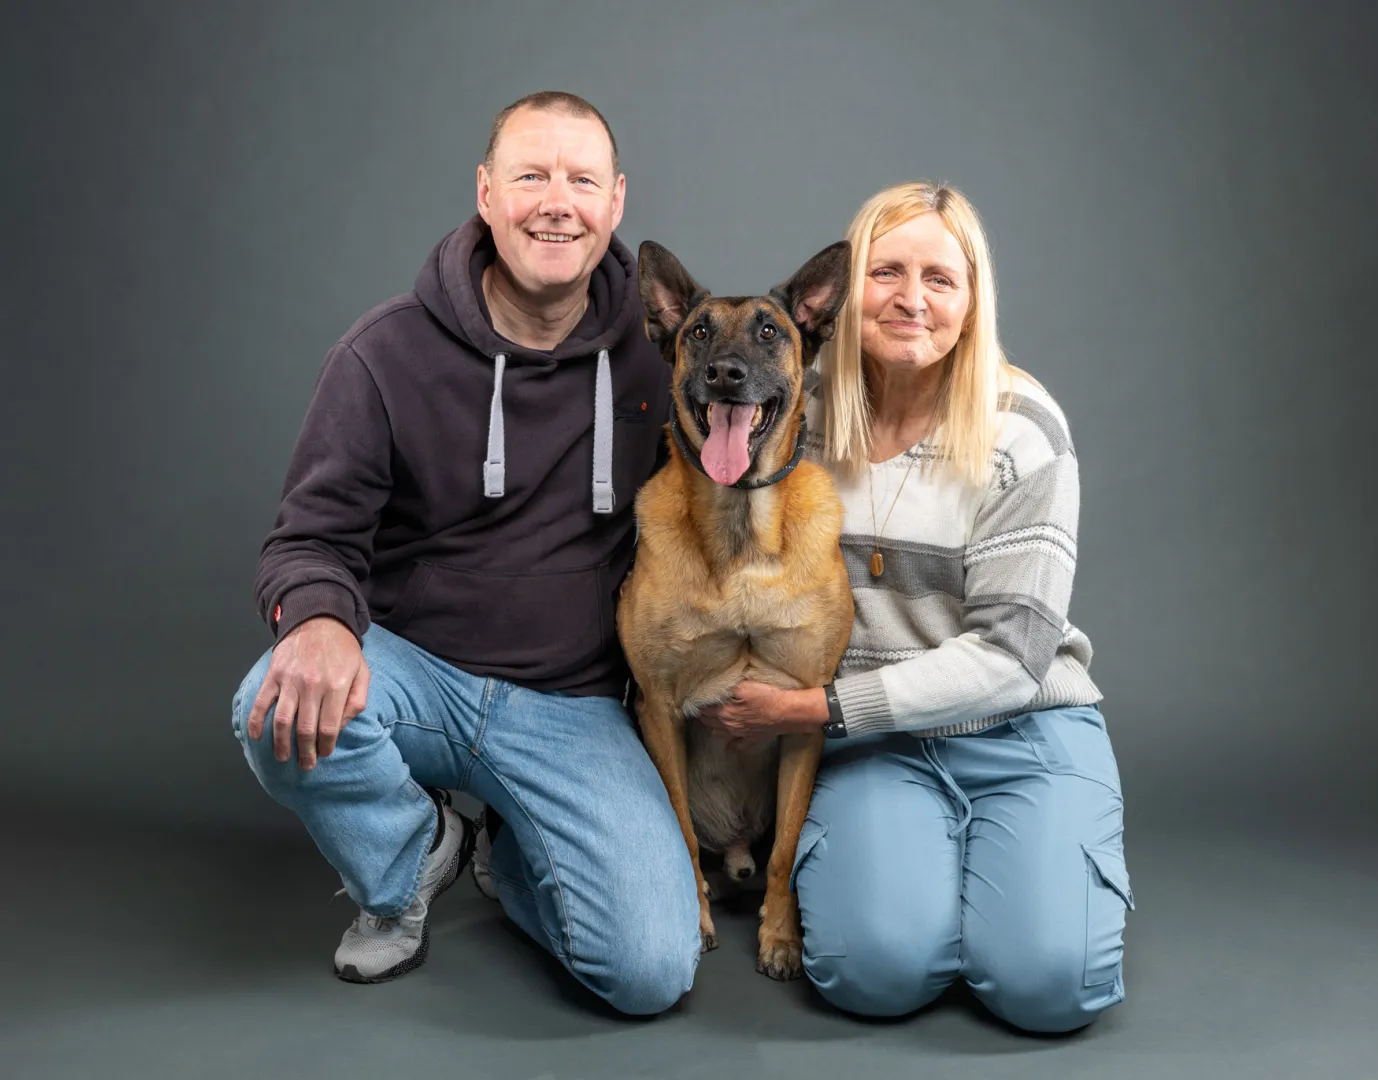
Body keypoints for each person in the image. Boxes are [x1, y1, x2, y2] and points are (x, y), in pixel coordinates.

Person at [230, 91, 701, 1014]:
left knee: (648, 972)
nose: (555, 200)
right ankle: (410, 859)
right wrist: (319, 619)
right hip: (419, 677)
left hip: (576, 702)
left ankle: (514, 849)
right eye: (530, 176)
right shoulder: (383, 354)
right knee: (269, 698)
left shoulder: (660, 357)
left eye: (580, 180)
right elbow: (308, 536)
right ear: (487, 195)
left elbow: (747, 450)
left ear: (615, 204)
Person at [698, 181, 1133, 1032]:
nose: (910, 299)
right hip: (877, 751)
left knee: (1048, 985)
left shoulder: (1020, 430)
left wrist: (811, 707)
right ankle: (936, 879)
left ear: (973, 304)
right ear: (842, 295)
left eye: (940, 278)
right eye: (886, 272)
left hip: (1020, 732)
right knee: (871, 975)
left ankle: (1033, 871)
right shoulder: (796, 417)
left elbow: (1012, 658)